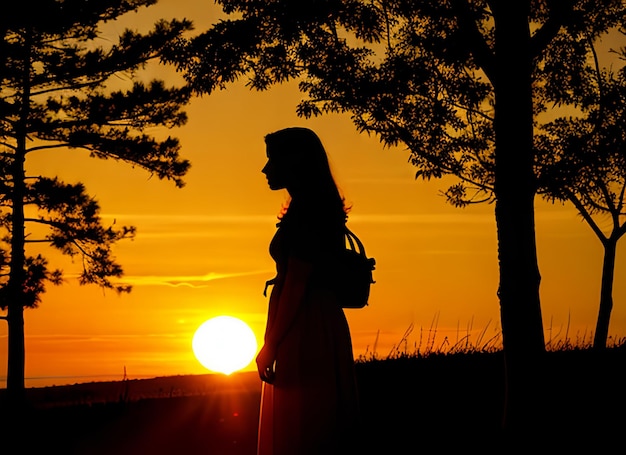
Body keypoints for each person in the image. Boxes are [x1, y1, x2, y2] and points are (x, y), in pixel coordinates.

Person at [256, 127, 360, 455]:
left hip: (306, 326)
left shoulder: (308, 213)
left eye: (273, 160)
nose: (266, 169)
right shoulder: (311, 208)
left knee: (304, 424)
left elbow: (297, 284)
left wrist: (270, 345)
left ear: (295, 162)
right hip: (312, 321)